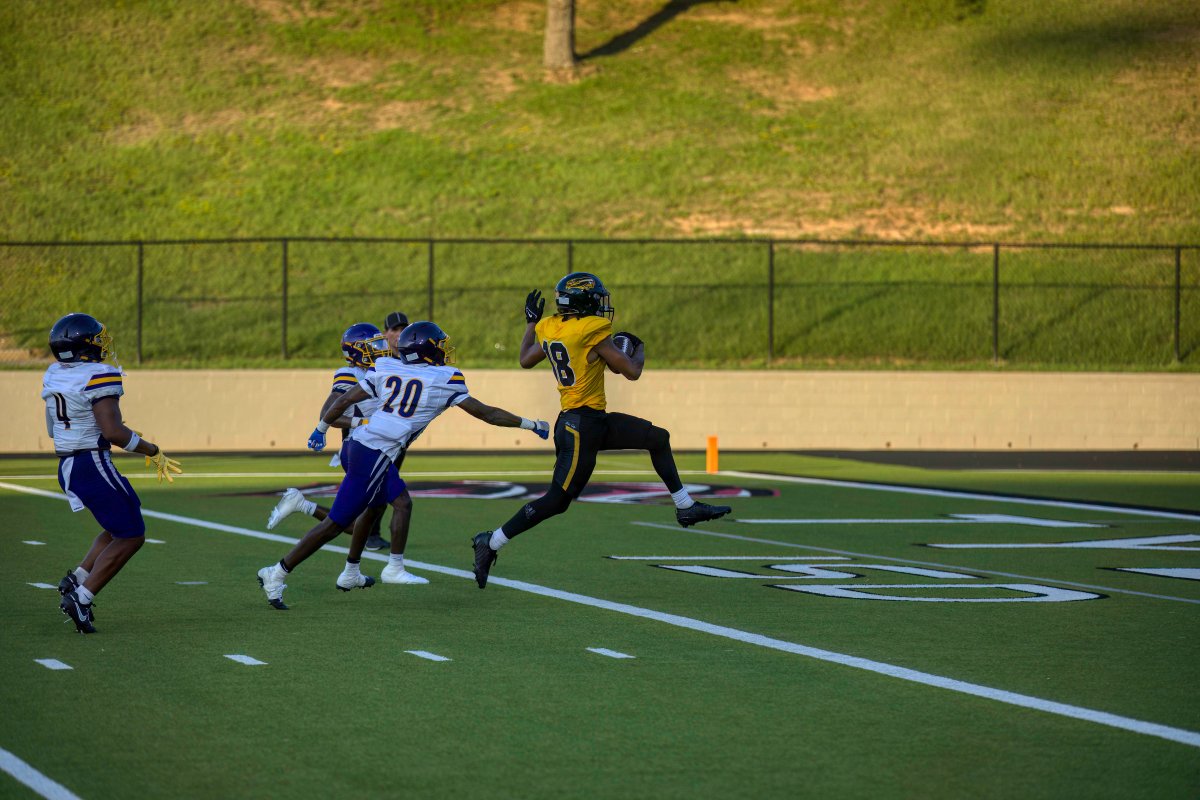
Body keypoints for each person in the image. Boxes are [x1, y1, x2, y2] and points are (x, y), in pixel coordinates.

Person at [256, 321, 549, 610]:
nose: (444, 350)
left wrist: (320, 429)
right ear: (427, 350)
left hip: (362, 446)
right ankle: (277, 572)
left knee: (383, 506)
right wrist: (531, 424)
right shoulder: (444, 378)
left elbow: (344, 400)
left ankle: (352, 571)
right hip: (373, 454)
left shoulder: (387, 368)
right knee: (336, 524)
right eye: (439, 345)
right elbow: (488, 414)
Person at [470, 272, 731, 589]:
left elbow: (526, 359)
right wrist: (638, 346)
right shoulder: (590, 329)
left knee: (657, 438)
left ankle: (685, 506)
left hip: (591, 421)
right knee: (556, 501)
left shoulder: (550, 326)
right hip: (580, 426)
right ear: (584, 302)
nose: (601, 305)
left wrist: (530, 323)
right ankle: (491, 541)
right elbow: (631, 371)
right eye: (596, 299)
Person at [42, 313, 183, 633]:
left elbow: (52, 429)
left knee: (121, 522)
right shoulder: (99, 373)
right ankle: (82, 597)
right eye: (96, 339)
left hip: (69, 464)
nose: (102, 344)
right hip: (91, 463)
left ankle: (76, 579)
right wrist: (153, 450)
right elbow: (114, 432)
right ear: (83, 345)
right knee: (132, 534)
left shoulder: (54, 374)